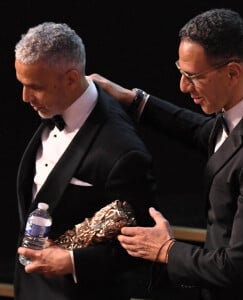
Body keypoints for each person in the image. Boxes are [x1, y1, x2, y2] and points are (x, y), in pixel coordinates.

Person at [89, 8, 243, 300]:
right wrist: (135, 100)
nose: (183, 86)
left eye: (193, 76)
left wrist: (166, 250)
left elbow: (237, 267)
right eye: (181, 72)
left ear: (233, 72)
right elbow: (209, 133)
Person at [14, 22, 158, 300]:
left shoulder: (124, 150)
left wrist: (72, 261)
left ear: (70, 79)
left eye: (35, 87)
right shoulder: (52, 106)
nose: (25, 97)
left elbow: (146, 247)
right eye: (22, 85)